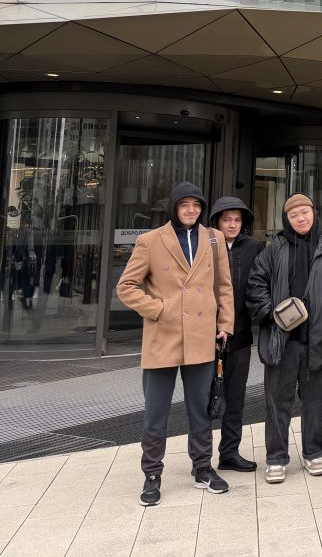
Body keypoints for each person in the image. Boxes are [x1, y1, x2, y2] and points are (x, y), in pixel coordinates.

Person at [116, 182, 234, 507]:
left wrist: (225, 324)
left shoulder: (214, 238)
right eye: (185, 205)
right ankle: (152, 475)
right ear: (174, 208)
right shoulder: (150, 241)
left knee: (200, 408)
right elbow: (126, 286)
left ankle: (202, 468)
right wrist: (159, 309)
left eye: (196, 205)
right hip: (163, 336)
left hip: (201, 336)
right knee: (156, 412)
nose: (191, 210)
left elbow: (224, 286)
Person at [246, 194, 322, 485]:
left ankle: (314, 453)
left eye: (305, 212)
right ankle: (276, 458)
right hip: (282, 341)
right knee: (277, 402)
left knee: (315, 402)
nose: (301, 218)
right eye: (294, 215)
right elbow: (255, 285)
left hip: (317, 341)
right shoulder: (273, 251)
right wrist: (273, 314)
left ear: (314, 213)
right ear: (286, 219)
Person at [209, 196, 263, 473]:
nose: (232, 225)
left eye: (237, 220)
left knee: (235, 397)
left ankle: (229, 452)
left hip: (240, 334)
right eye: (227, 219)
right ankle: (201, 457)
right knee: (203, 398)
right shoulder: (205, 244)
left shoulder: (254, 247)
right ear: (217, 221)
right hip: (206, 336)